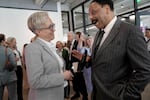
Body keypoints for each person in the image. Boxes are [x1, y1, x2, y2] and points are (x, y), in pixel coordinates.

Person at [72, 0, 150, 100]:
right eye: (89, 14)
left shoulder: (130, 31)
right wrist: (88, 59)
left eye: (94, 12)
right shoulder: (99, 33)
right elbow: (107, 59)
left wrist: (126, 95)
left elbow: (145, 70)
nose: (90, 17)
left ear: (107, 9)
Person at [25, 12, 73, 100]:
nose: (54, 29)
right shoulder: (32, 48)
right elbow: (35, 81)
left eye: (53, 26)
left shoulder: (50, 47)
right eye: (50, 27)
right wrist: (63, 76)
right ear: (38, 31)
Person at [0, 34, 18, 100]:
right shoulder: (8, 50)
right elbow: (14, 64)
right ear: (2, 41)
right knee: (13, 97)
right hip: (10, 77)